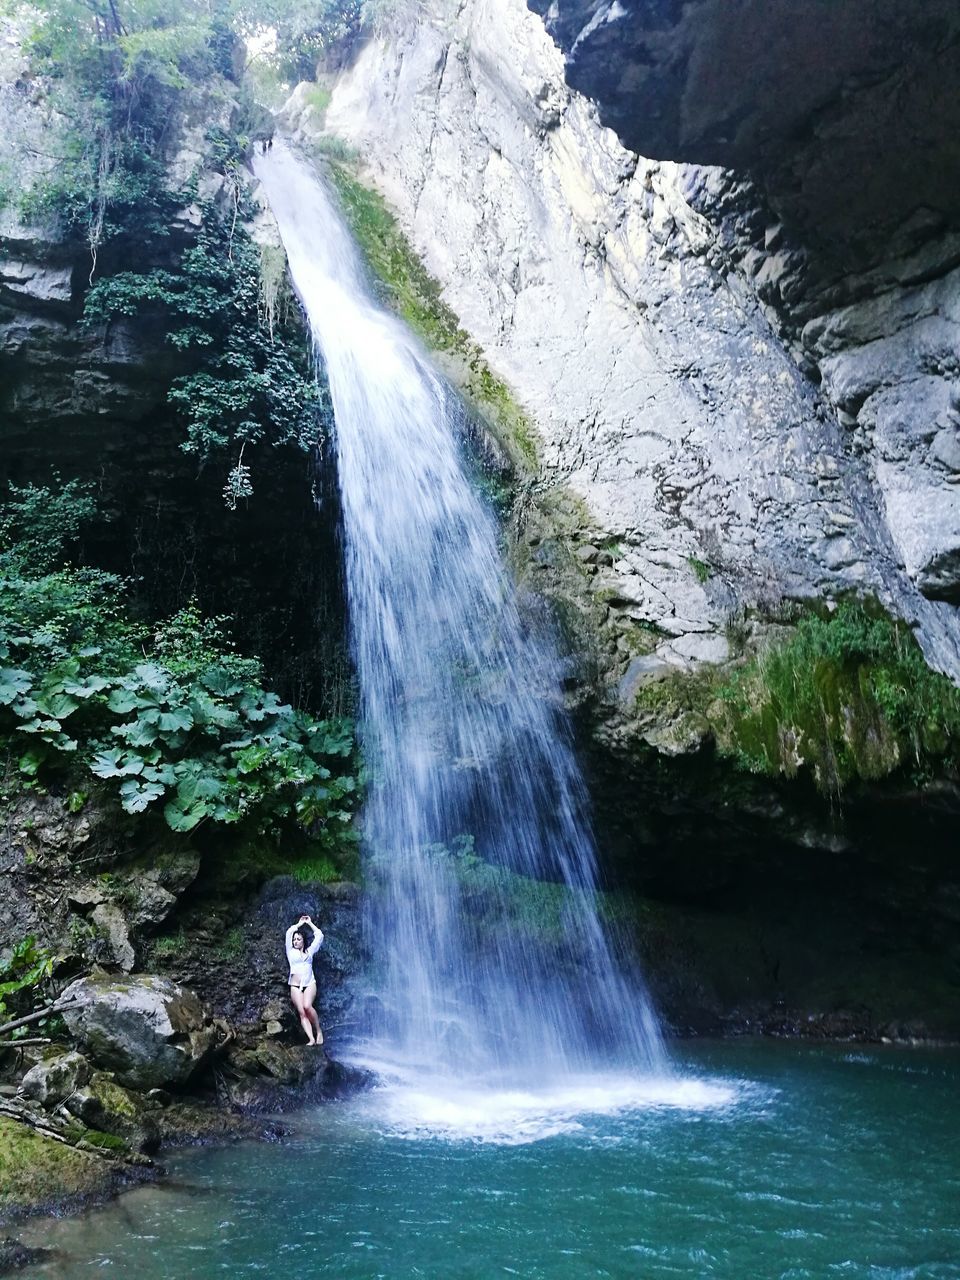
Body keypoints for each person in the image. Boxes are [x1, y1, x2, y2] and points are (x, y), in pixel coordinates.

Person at [285, 914, 324, 1046]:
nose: (295, 941)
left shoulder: (309, 951)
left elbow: (319, 936)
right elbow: (289, 932)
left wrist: (310, 923)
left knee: (307, 1006)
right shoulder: (290, 951)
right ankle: (311, 1039)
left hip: (309, 984)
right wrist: (299, 924)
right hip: (295, 986)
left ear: (303, 941)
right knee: (302, 1012)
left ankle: (318, 1031)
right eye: (294, 940)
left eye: (298, 939)